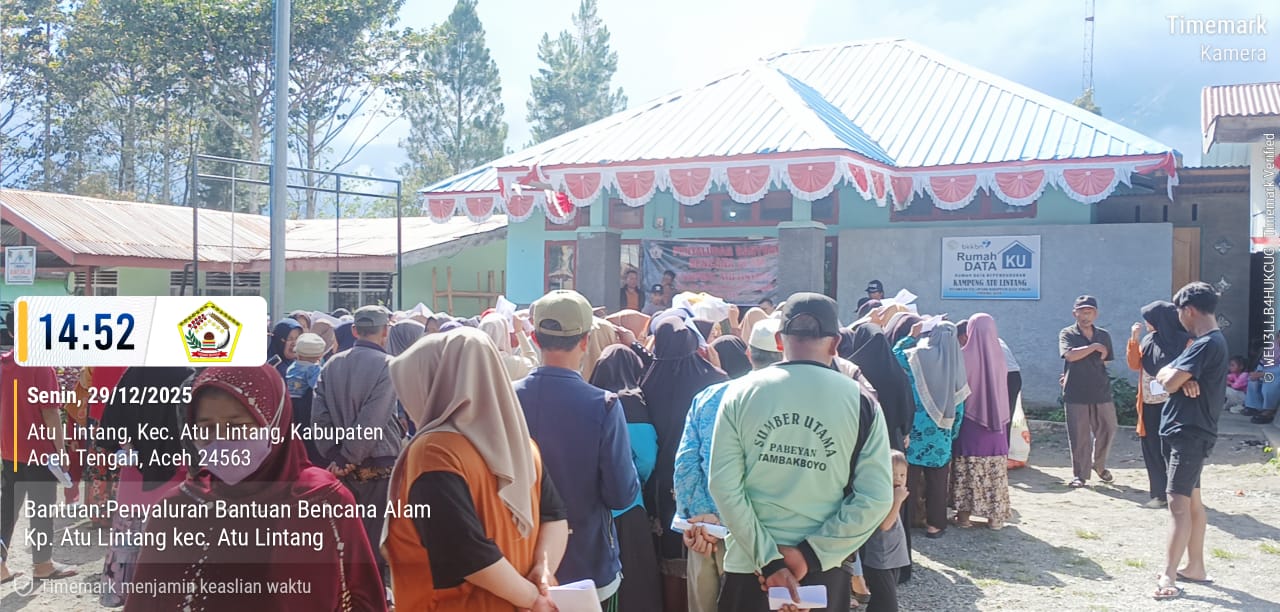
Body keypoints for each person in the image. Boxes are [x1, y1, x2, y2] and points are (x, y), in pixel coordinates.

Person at [126, 365, 386, 611]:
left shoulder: (322, 501)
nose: (221, 440)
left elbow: (362, 596)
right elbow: (146, 601)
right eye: (207, 428)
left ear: (274, 423)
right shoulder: (180, 507)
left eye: (237, 426)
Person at [708, 293, 893, 612]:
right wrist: (809, 554)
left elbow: (723, 486)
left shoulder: (739, 393)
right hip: (823, 567)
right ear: (836, 344)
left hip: (750, 565)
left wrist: (770, 560)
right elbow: (876, 498)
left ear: (780, 340)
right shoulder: (861, 401)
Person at [383, 328, 567, 612]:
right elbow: (555, 517)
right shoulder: (522, 446)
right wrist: (543, 574)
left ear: (435, 383)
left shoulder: (434, 450)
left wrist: (533, 599)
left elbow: (465, 550)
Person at [515, 290, 640, 606]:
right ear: (585, 341)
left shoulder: (506, 400)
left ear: (534, 338)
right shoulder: (603, 405)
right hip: (588, 567)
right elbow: (621, 494)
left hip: (518, 568)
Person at [675, 317, 783, 612]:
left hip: (708, 534)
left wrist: (699, 520)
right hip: (768, 539)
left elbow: (686, 463)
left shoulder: (709, 396)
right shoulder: (791, 401)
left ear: (749, 353)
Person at [312, 305, 404, 594]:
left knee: (344, 541)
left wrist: (335, 455)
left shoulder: (331, 364)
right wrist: (347, 457)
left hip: (339, 469)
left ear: (354, 330)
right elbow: (373, 417)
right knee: (374, 544)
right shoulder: (389, 364)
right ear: (385, 331)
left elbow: (319, 415)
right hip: (378, 467)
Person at [641, 314, 729, 611]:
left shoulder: (647, 382)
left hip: (657, 484)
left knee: (665, 557)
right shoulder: (715, 381)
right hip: (708, 496)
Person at [1153, 282, 1229, 601]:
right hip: (1189, 431)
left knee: (1178, 503)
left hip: (1189, 433)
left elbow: (1168, 381)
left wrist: (1174, 378)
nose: (1179, 318)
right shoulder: (1206, 342)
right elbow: (1166, 377)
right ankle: (1195, 566)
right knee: (1193, 501)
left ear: (1189, 310)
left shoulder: (1205, 343)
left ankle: (1168, 575)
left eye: (1179, 312)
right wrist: (1177, 378)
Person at [95, 366, 193, 606]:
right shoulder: (190, 377)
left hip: (135, 476)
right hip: (177, 477)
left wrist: (129, 448)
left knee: (130, 544)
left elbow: (111, 425)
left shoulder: (134, 374)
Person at [589, 345, 662, 612]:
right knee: (635, 583)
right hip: (629, 505)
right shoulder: (632, 402)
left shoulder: (590, 398)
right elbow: (647, 457)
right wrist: (636, 481)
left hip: (591, 508)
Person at [1, 351, 77, 584]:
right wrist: (62, 451)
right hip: (39, 450)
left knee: (7, 509)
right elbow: (50, 413)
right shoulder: (41, 367)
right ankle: (43, 565)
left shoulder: (4, 363)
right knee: (41, 509)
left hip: (10, 448)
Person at [893, 319, 968, 538]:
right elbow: (959, 404)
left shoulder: (917, 357)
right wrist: (953, 432)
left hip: (914, 430)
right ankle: (935, 525)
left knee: (909, 478)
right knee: (937, 482)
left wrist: (911, 336)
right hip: (941, 431)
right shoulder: (955, 366)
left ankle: (905, 522)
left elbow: (895, 354)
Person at [1125, 301, 1192, 509]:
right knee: (1151, 448)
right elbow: (1134, 364)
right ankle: (1159, 494)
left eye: (1149, 319)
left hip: (1174, 404)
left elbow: (1192, 368)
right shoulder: (1148, 340)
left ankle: (1178, 495)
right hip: (1149, 403)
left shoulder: (1186, 341)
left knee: (1172, 449)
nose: (1146, 323)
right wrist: (1134, 339)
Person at [953, 313, 1012, 530]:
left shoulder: (962, 356)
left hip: (970, 421)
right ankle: (995, 519)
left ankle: (964, 517)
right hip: (997, 424)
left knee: (967, 468)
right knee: (995, 471)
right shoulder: (1000, 356)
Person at [1059, 295, 1117, 488]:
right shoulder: (1068, 333)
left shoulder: (1103, 335)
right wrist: (1093, 347)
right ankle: (1080, 475)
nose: (1085, 316)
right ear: (1074, 313)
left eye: (1089, 312)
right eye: (1082, 312)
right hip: (1076, 391)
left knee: (1108, 428)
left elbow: (1106, 361)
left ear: (1096, 314)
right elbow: (1070, 355)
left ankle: (1099, 465)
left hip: (1101, 389)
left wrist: (1095, 351)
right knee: (1079, 435)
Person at [861, 450, 911, 612]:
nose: (898, 478)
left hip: (892, 559)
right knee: (888, 605)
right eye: (893, 474)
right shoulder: (881, 497)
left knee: (880, 602)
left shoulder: (893, 495)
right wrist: (897, 501)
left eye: (902, 475)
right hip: (879, 560)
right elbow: (884, 526)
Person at [1242, 342, 1280, 423]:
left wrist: (1263, 374)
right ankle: (1254, 406)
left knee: (1270, 382)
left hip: (1277, 375)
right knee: (1253, 380)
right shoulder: (1274, 347)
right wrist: (1258, 372)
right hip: (1268, 372)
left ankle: (1269, 410)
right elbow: (1263, 363)